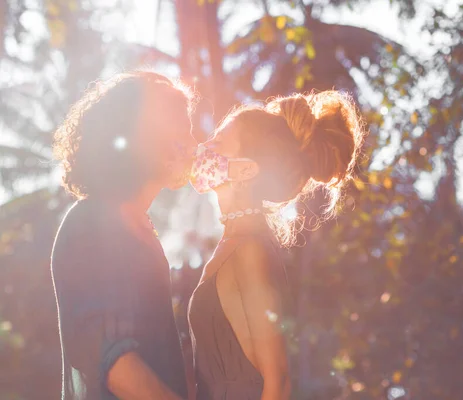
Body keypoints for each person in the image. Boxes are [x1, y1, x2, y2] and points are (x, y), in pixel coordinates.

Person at [187, 90, 367, 399]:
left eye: (217, 142)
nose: (203, 147)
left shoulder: (251, 250)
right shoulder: (235, 241)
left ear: (246, 169)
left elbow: (277, 380)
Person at [51, 71, 197, 400]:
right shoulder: (92, 221)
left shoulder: (142, 230)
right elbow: (111, 360)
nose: (193, 143)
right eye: (181, 128)